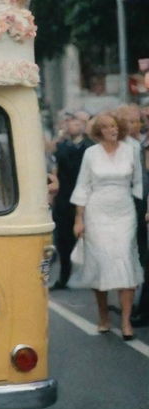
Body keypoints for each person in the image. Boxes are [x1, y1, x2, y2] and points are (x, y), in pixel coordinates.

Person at [70, 113, 144, 340]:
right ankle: (103, 316)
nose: (111, 130)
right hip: (97, 212)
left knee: (124, 259)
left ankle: (125, 322)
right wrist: (79, 219)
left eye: (114, 126)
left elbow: (139, 182)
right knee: (101, 262)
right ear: (99, 132)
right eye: (106, 127)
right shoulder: (90, 154)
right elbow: (83, 186)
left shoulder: (131, 150)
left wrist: (141, 206)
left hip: (124, 213)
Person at [50, 112, 92, 290]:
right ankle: (64, 276)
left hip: (86, 197)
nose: (74, 126)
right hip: (64, 198)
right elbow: (55, 167)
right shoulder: (62, 146)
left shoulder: (90, 147)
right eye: (71, 123)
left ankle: (92, 276)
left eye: (78, 123)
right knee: (63, 240)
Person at [117, 104, 149, 327]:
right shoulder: (120, 147)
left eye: (135, 121)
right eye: (127, 121)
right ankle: (134, 305)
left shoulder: (143, 144)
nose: (133, 125)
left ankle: (140, 307)